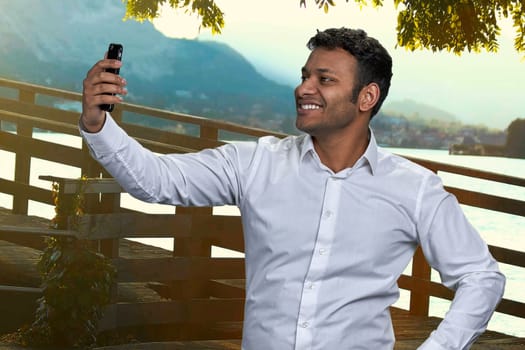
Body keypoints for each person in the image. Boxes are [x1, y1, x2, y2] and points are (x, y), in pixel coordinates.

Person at [80, 28, 505, 349]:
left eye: (325, 79)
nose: (304, 89)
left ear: (366, 97)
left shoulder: (414, 189)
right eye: (305, 76)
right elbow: (157, 181)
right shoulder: (254, 163)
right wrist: (99, 124)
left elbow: (481, 277)